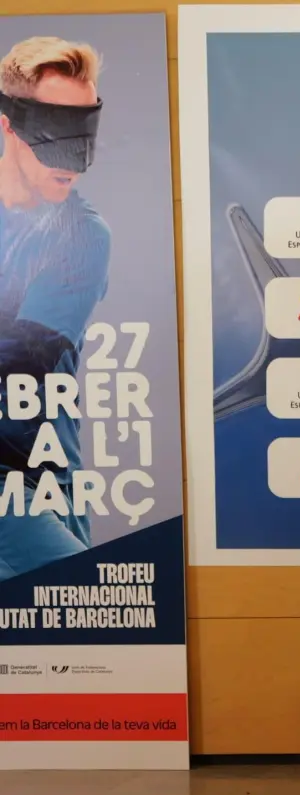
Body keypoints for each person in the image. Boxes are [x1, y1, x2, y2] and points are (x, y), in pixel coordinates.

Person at [0, 36, 111, 580]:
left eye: (83, 127)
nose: (73, 158)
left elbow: (23, 359)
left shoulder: (81, 234)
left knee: (76, 633)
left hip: (46, 473)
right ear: (8, 126)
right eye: (53, 128)